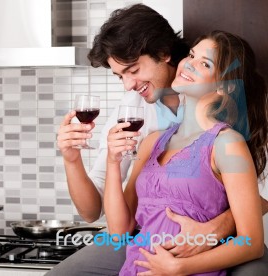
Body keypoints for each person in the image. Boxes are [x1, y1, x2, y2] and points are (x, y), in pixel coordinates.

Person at [50, 3, 268, 276]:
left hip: (219, 238)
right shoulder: (138, 116)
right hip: (146, 238)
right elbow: (101, 215)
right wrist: (73, 159)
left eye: (133, 70)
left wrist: (213, 231)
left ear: (164, 54)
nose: (128, 86)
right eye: (120, 76)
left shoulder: (231, 127)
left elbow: (260, 201)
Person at [104, 30, 267, 275]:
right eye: (191, 55)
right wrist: (112, 162)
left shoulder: (226, 144)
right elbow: (119, 232)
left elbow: (251, 244)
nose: (189, 64)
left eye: (205, 63)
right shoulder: (152, 142)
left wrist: (179, 267)